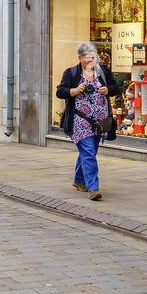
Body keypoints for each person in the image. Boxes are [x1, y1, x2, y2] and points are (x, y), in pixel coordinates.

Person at [55, 42, 118, 201]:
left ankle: (79, 180)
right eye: (87, 58)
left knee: (89, 151)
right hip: (80, 121)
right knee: (89, 152)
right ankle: (93, 188)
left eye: (93, 57)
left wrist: (108, 90)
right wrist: (74, 91)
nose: (91, 61)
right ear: (80, 57)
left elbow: (118, 87)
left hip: (100, 122)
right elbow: (60, 91)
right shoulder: (72, 73)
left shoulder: (103, 71)